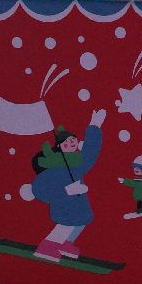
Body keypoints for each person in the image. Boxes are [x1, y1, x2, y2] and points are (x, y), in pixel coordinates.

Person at [30, 108, 106, 260]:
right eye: (66, 142)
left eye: (73, 140)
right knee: (66, 225)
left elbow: (89, 155)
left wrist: (94, 127)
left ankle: (65, 244)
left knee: (80, 222)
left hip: (79, 205)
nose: (71, 143)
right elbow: (40, 189)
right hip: (64, 205)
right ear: (59, 147)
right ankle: (48, 246)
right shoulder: (54, 167)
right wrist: (66, 190)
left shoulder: (76, 162)